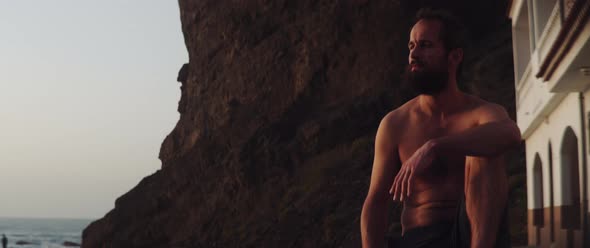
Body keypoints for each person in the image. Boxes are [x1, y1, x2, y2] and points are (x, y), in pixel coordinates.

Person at [360, 8, 521, 248]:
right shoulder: (395, 123)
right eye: (411, 46)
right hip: (419, 239)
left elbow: (510, 134)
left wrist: (434, 147)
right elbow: (376, 202)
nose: (414, 54)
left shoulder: (481, 113)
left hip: (474, 236)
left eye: (425, 45)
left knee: (484, 149)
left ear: (454, 57)